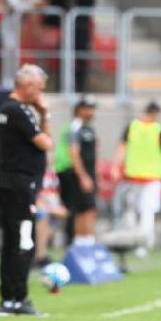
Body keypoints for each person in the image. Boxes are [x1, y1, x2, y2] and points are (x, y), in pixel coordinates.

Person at [0, 64, 52, 317]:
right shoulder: (17, 110)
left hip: (11, 185)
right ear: (27, 85)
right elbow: (46, 143)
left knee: (11, 242)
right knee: (23, 241)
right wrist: (45, 114)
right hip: (20, 187)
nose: (40, 95)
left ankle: (8, 299)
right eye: (39, 89)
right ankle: (18, 298)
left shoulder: (9, 109)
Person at [113, 102, 161, 255]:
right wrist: (116, 166)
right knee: (142, 212)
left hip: (140, 176)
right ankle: (140, 243)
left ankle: (141, 243)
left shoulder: (134, 127)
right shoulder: (156, 129)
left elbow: (121, 148)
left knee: (140, 211)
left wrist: (116, 166)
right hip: (144, 177)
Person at [57, 96, 98, 247]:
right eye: (88, 109)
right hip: (77, 175)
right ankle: (78, 241)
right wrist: (83, 176)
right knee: (82, 209)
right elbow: (74, 153)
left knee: (88, 208)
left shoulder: (88, 128)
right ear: (79, 110)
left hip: (88, 174)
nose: (91, 112)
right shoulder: (75, 128)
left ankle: (85, 240)